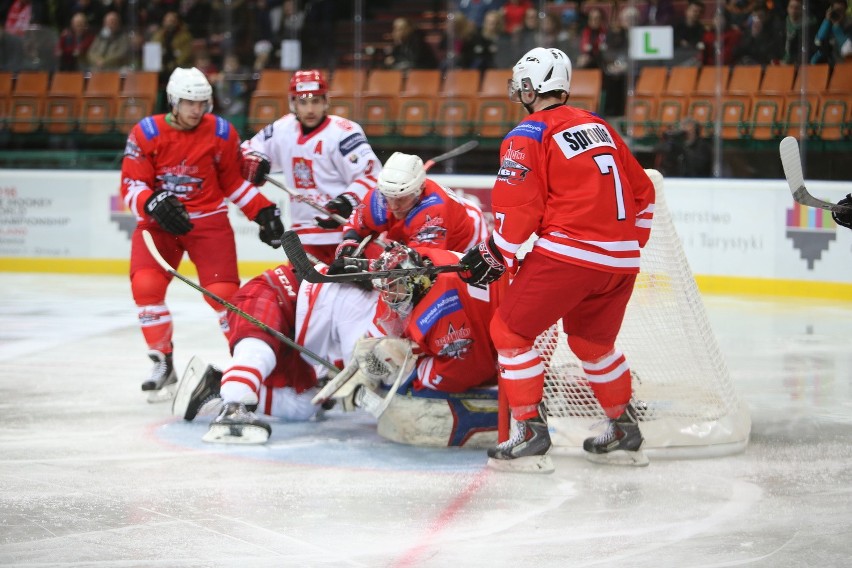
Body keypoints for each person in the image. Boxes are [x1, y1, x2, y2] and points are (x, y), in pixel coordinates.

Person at [458, 47, 655, 472]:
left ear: (532, 86)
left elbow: (520, 207)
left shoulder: (527, 133)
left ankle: (528, 433)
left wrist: (495, 252)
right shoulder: (601, 126)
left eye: (520, 83)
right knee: (592, 344)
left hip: (570, 256)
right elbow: (645, 195)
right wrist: (624, 243)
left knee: (509, 332)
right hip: (620, 263)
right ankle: (624, 430)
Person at [119, 67, 284, 402]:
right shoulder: (146, 132)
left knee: (223, 295)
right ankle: (162, 360)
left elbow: (233, 182)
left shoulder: (222, 132)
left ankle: (245, 363)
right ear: (173, 101)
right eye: (189, 102)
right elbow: (130, 185)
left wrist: (263, 211)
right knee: (146, 286)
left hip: (207, 222)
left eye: (202, 102)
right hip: (158, 225)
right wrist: (152, 201)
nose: (197, 109)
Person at [174, 262, 379, 443]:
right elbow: (360, 365)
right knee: (259, 349)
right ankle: (233, 409)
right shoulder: (371, 303)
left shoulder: (383, 308)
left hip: (298, 332)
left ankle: (216, 384)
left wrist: (329, 381)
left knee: (305, 406)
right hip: (273, 294)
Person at [240, 69, 382, 264]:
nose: (309, 110)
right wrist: (254, 160)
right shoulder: (282, 129)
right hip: (305, 238)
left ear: (325, 102)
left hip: (349, 233)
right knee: (302, 293)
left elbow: (373, 176)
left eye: (315, 101)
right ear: (293, 103)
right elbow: (247, 150)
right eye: (303, 102)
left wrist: (347, 202)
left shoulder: (344, 133)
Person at [336, 151, 488, 262]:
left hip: (465, 240)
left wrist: (367, 267)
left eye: (401, 199)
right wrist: (348, 250)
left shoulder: (434, 211)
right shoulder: (378, 197)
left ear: (418, 191)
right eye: (389, 198)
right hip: (418, 233)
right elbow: (355, 229)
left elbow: (418, 262)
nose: (394, 206)